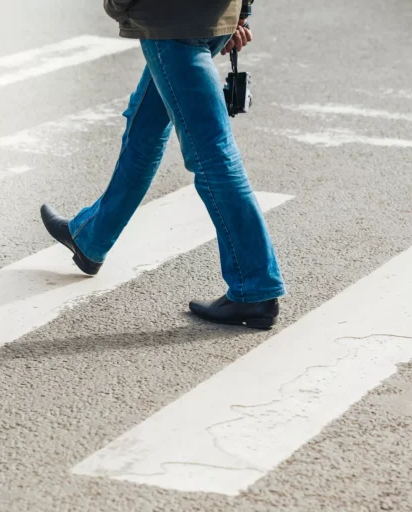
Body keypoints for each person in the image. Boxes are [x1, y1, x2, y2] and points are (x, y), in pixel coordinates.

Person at [40, 0, 285, 329]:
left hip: (170, 21)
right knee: (145, 127)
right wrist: (241, 12)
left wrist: (118, 6)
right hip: (209, 16)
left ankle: (255, 288)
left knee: (213, 154)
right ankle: (91, 239)